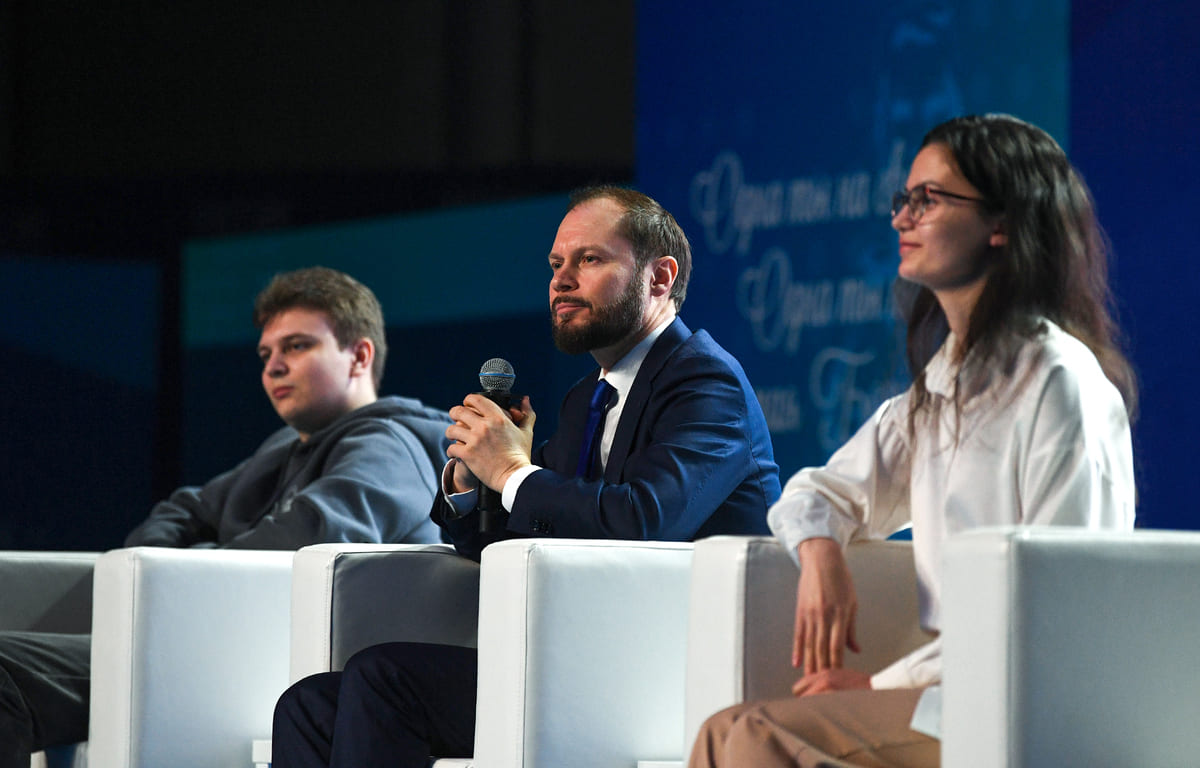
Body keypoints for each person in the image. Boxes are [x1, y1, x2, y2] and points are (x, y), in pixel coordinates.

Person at [271, 185, 782, 767]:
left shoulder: (706, 382)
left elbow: (644, 520)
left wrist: (513, 469)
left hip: (662, 667)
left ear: (659, 278)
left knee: (384, 677)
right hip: (577, 655)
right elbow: (522, 540)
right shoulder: (585, 399)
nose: (562, 281)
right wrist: (473, 484)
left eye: (589, 259)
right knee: (308, 704)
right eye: (556, 264)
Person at [689, 114, 1137, 768]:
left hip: (1024, 700)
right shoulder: (946, 381)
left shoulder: (1059, 382)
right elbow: (815, 494)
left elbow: (1061, 609)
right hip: (952, 690)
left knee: (758, 734)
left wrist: (880, 685)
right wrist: (821, 554)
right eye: (904, 198)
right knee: (719, 730)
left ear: (1002, 222)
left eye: (929, 199)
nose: (902, 217)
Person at [0, 266, 451, 767]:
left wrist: (185, 570)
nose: (273, 367)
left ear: (359, 356)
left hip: (263, 662)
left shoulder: (388, 446)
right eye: (266, 354)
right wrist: (169, 572)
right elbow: (182, 510)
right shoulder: (285, 445)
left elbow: (293, 548)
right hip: (206, 643)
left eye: (296, 346)